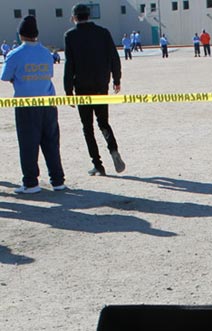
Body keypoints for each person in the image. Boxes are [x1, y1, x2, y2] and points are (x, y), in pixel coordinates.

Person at [0, 15, 65, 194]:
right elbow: (49, 75)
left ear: (21, 34)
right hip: (48, 102)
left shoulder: (15, 54)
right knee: (51, 142)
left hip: (26, 104)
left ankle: (31, 182)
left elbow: (5, 76)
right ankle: (57, 180)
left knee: (28, 145)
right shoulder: (46, 52)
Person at [64, 3, 126, 176]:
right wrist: (117, 79)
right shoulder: (103, 32)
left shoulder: (70, 36)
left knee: (87, 127)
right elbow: (114, 57)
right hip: (101, 86)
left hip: (82, 88)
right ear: (89, 15)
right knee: (103, 122)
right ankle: (113, 149)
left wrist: (68, 91)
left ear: (74, 17)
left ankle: (98, 164)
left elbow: (70, 65)